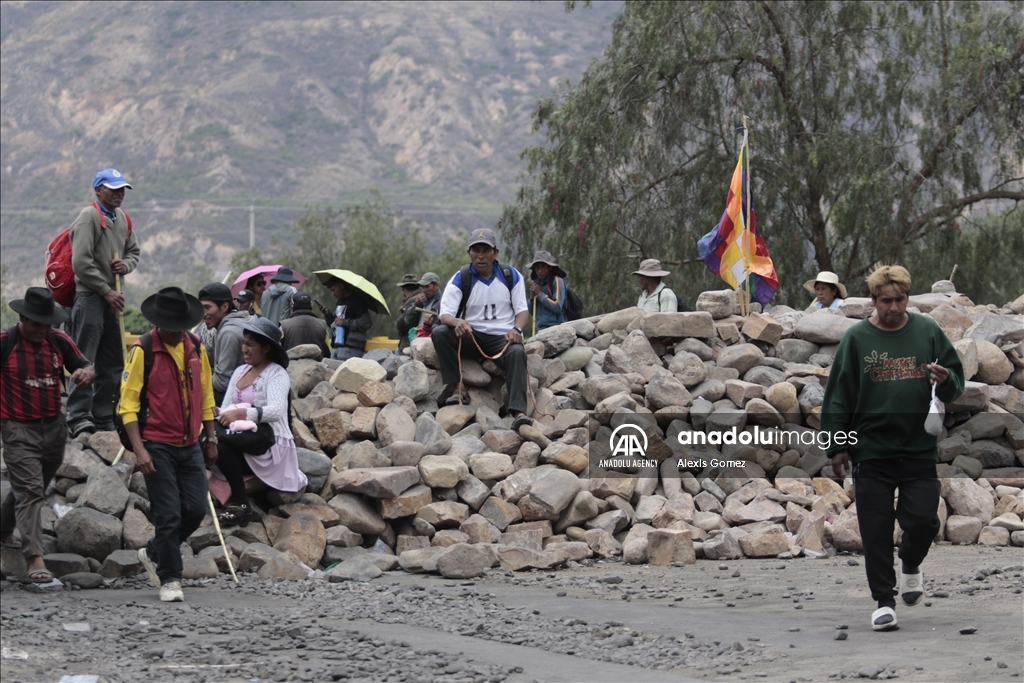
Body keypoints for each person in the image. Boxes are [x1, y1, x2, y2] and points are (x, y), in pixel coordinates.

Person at [821, 265, 964, 632]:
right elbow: (839, 396)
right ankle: (884, 601)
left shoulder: (928, 331)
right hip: (871, 449)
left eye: (901, 299)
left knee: (923, 520)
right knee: (876, 528)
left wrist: (945, 380)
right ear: (874, 301)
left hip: (917, 448)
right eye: (887, 301)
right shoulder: (857, 339)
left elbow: (955, 383)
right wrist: (838, 443)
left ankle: (911, 562)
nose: (895, 307)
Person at [120, 287, 217, 603]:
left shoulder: (196, 347)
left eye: (180, 326)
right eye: (170, 326)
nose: (176, 332)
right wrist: (139, 449)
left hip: (190, 443)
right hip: (156, 444)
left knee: (196, 508)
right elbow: (128, 405)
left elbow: (206, 396)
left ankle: (152, 552)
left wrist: (211, 437)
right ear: (159, 323)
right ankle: (171, 579)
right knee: (168, 513)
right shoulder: (143, 350)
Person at [1, 288, 96, 582]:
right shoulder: (5, 343)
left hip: (54, 427)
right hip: (17, 428)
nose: (42, 329)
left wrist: (85, 374)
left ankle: (2, 531)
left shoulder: (58, 340)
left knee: (30, 486)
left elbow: (86, 365)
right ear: (22, 317)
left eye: (47, 323)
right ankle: (35, 559)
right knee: (30, 491)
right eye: (36, 324)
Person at [65, 168, 141, 437]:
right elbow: (81, 262)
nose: (119, 193)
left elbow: (134, 252)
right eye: (113, 188)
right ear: (98, 190)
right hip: (90, 296)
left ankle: (103, 414)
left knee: (113, 359)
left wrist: (126, 265)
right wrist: (105, 290)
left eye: (122, 189)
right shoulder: (89, 217)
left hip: (113, 298)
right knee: (85, 356)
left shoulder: (122, 219)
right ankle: (78, 415)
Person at [432, 228, 532, 431]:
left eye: (485, 250)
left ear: (495, 252)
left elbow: (522, 311)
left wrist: (516, 330)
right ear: (469, 253)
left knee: (516, 353)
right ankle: (457, 387)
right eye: (475, 250)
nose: (480, 256)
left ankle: (518, 411)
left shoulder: (510, 275)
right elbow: (445, 315)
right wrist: (457, 322)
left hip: (501, 337)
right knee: (440, 333)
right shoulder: (461, 278)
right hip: (471, 335)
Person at [214, 318, 308, 526]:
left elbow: (276, 411)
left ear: (266, 348)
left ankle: (240, 503)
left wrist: (242, 414)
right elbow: (227, 405)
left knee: (220, 444)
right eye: (243, 343)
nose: (244, 349)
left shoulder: (277, 374)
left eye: (250, 344)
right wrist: (216, 412)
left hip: (268, 441)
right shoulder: (240, 371)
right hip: (242, 436)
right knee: (209, 438)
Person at [198, 283, 251, 406]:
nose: (204, 314)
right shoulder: (221, 328)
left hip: (237, 403)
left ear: (224, 307)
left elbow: (222, 383)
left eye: (207, 308)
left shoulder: (229, 333)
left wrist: (194, 383)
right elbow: (207, 355)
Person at [320, 277, 372, 361]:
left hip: (351, 348)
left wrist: (345, 322)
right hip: (336, 347)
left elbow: (366, 323)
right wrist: (328, 315)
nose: (333, 294)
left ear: (341, 286)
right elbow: (335, 324)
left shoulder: (357, 300)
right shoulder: (339, 301)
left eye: (334, 290)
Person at [280, 292, 330, 360]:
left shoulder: (284, 326)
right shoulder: (322, 325)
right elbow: (329, 352)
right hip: (316, 368)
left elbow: (277, 350)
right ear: (311, 306)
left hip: (290, 368)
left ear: (292, 307)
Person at [526, 250, 568, 331]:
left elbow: (558, 307)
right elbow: (532, 312)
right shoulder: (536, 284)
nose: (540, 271)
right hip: (541, 329)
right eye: (537, 268)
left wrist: (540, 294)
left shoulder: (557, 281)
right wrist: (531, 299)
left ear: (549, 267)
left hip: (557, 328)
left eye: (543, 267)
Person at [395, 274, 422, 354]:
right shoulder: (420, 298)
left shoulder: (412, 301)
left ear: (403, 289)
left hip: (408, 342)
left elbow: (402, 324)